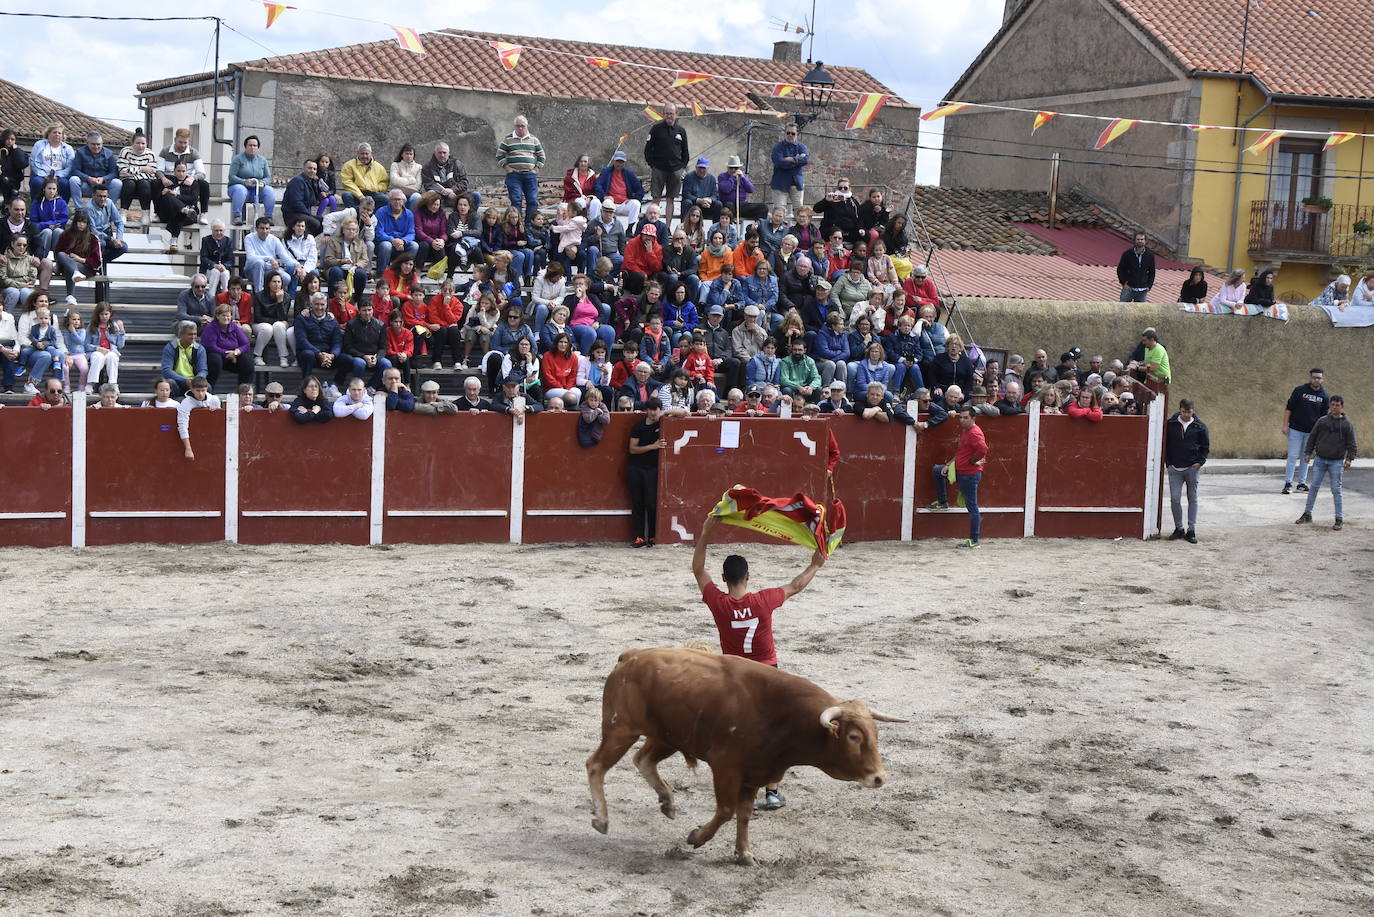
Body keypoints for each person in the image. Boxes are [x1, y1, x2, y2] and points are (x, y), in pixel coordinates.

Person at [690, 509, 827, 810]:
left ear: (724, 579)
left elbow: (698, 570)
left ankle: (735, 782)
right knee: (773, 732)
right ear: (748, 577)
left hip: (734, 677)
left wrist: (705, 534)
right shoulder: (763, 601)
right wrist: (815, 564)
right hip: (767, 674)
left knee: (731, 729)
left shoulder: (718, 603)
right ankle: (772, 792)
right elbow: (795, 585)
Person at [930, 405, 989, 549]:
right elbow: (961, 452)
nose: (961, 420)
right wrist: (949, 465)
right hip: (960, 470)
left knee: (972, 507)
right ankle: (943, 501)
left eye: (965, 418)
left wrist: (973, 461)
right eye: (960, 417)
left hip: (969, 474)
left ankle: (974, 541)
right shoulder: (966, 430)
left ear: (973, 418)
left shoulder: (974, 432)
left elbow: (983, 449)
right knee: (938, 471)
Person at [1295, 395, 1357, 532]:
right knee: (1314, 487)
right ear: (1330, 406)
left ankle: (1339, 519)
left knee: (1336, 490)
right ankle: (1307, 515)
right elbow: (1312, 437)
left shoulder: (1347, 425)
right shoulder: (1322, 421)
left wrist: (1349, 459)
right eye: (1332, 405)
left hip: (1337, 462)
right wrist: (1308, 452)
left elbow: (1352, 444)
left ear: (1342, 407)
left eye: (1337, 405)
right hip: (1320, 460)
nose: (1335, 407)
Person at [1163, 397, 1208, 544]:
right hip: (1174, 467)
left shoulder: (1200, 426)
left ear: (1193, 410)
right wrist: (1168, 463)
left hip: (1192, 468)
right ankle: (1179, 528)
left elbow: (1205, 447)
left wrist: (1199, 462)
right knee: (1175, 499)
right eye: (1184, 411)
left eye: (1189, 412)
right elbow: (1166, 443)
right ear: (1180, 409)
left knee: (1192, 498)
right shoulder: (1171, 424)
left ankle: (1191, 529)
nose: (1186, 414)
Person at [1281, 368, 1330, 495]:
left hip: (1311, 433)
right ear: (1310, 378)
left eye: (1319, 378)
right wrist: (1285, 425)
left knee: (1306, 458)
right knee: (1292, 456)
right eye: (1314, 377)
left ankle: (1301, 484)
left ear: (1322, 379)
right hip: (1295, 430)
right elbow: (1289, 408)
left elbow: (1323, 417)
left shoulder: (1324, 396)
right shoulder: (1300, 390)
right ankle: (1288, 483)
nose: (1316, 380)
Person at [626, 396, 665, 547]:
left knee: (651, 504)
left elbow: (683, 413)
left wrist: (664, 412)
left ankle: (653, 536)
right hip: (636, 468)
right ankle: (640, 537)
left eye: (656, 409)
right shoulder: (639, 426)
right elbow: (632, 449)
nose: (654, 413)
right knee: (638, 503)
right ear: (646, 410)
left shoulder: (663, 421)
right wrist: (653, 446)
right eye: (651, 409)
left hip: (652, 469)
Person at [294, 292, 346, 395]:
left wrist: (332, 355)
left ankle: (334, 386)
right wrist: (318, 353)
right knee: (307, 354)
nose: (319, 307)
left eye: (322, 304)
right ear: (311, 304)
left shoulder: (332, 320)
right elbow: (302, 340)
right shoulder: (302, 318)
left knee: (347, 359)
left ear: (326, 305)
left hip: (328, 357)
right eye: (317, 304)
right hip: (311, 355)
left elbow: (337, 341)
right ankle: (306, 387)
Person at [644, 104, 689, 220]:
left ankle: (667, 228)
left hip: (675, 170)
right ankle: (653, 224)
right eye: (667, 113)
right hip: (658, 169)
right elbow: (648, 149)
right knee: (656, 198)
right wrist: (652, 165)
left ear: (676, 115)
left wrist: (682, 168)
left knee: (671, 199)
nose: (669, 116)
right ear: (663, 115)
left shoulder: (681, 131)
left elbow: (685, 151)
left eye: (671, 113)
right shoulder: (656, 129)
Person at [157, 127, 212, 219]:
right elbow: (159, 170)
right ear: (175, 140)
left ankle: (203, 214)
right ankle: (157, 213)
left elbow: (202, 173)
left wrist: (192, 178)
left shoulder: (194, 153)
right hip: (169, 179)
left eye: (185, 142)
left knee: (204, 184)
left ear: (189, 141)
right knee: (156, 183)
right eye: (180, 142)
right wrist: (163, 178)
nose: (183, 145)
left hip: (187, 181)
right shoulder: (165, 151)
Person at [497, 116, 545, 220]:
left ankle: (530, 225)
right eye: (518, 126)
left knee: (532, 200)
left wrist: (536, 169)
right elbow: (499, 155)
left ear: (526, 126)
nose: (520, 128)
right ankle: (517, 226)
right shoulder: (508, 139)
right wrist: (507, 167)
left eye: (522, 126)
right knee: (516, 200)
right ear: (514, 126)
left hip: (530, 175)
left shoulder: (534, 139)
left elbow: (542, 156)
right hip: (514, 175)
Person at [202, 303, 256, 390]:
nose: (226, 318)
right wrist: (226, 353)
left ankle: (244, 391)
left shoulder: (234, 327)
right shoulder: (211, 327)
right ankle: (209, 390)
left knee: (248, 362)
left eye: (228, 316)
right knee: (215, 359)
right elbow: (211, 346)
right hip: (216, 357)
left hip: (233, 357)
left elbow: (246, 344)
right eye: (223, 315)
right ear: (217, 316)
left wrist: (236, 352)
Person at [319, 217, 371, 305]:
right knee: (336, 272)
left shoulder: (360, 243)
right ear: (343, 230)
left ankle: (356, 300)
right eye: (348, 229)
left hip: (353, 270)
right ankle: (332, 300)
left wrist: (355, 266)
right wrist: (342, 261)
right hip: (337, 268)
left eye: (353, 229)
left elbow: (365, 260)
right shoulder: (333, 241)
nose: (351, 231)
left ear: (356, 231)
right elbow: (328, 259)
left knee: (361, 274)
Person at [227, 135, 275, 226]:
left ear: (258, 148)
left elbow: (268, 178)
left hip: (256, 189)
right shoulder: (238, 159)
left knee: (269, 190)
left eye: (255, 145)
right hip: (239, 188)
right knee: (240, 189)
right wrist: (244, 182)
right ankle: (237, 216)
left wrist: (263, 183)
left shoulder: (262, 160)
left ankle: (269, 216)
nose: (252, 147)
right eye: (250, 145)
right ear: (245, 146)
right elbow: (231, 176)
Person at [342, 300, 390, 387]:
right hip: (358, 356)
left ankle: (371, 387)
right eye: (364, 310)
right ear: (359, 311)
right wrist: (363, 356)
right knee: (360, 363)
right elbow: (347, 346)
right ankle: (357, 388)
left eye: (369, 310)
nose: (367, 313)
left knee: (387, 364)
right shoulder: (351, 324)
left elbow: (383, 347)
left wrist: (377, 358)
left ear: (373, 310)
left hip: (374, 356)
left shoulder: (381, 325)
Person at [243, 216, 296, 293]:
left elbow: (285, 258)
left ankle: (273, 297)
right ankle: (259, 295)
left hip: (269, 270)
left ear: (270, 229)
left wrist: (298, 265)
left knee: (286, 278)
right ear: (256, 229)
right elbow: (250, 257)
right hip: (252, 269)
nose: (264, 231)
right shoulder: (249, 238)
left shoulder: (274, 240)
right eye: (262, 228)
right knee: (259, 262)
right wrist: (269, 258)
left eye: (267, 228)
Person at [69, 132, 121, 209]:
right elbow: (75, 170)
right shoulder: (80, 152)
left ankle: (107, 209)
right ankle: (79, 209)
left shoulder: (109, 154)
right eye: (93, 144)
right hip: (86, 185)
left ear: (102, 143)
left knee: (117, 183)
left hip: (103, 186)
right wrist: (88, 178)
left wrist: (104, 179)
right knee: (73, 180)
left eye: (98, 144)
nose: (96, 147)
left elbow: (114, 172)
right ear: (87, 143)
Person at [116, 132, 159, 223]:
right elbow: (123, 171)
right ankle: (123, 212)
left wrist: (133, 171)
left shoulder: (150, 154)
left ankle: (145, 214)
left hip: (144, 182)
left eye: (143, 143)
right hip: (128, 181)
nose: (140, 146)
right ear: (133, 143)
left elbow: (152, 173)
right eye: (138, 143)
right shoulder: (125, 152)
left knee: (144, 184)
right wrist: (142, 169)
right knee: (130, 184)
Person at [594, 152, 645, 230]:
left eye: (621, 161)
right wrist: (604, 196)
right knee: (603, 203)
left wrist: (635, 198)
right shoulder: (606, 171)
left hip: (624, 204)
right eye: (617, 161)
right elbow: (597, 185)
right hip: (610, 203)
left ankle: (630, 229)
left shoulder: (629, 174)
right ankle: (601, 228)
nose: (619, 164)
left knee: (636, 204)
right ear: (613, 161)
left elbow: (640, 189)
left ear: (624, 163)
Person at [422, 142, 478, 210]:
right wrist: (445, 192)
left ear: (448, 154)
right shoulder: (427, 167)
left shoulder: (457, 164)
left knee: (476, 195)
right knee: (431, 194)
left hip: (456, 195)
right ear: (435, 153)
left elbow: (464, 182)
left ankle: (472, 218)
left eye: (444, 152)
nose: (442, 155)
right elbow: (428, 184)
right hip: (438, 196)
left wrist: (452, 190)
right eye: (440, 152)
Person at [176, 375, 221, 460]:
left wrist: (216, 410)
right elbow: (182, 425)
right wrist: (188, 448)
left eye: (203, 390)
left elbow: (219, 421)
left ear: (207, 389)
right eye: (198, 391)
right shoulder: (185, 404)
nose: (200, 394)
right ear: (192, 389)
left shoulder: (214, 400)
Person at [769, 124, 809, 216]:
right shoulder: (778, 147)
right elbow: (779, 162)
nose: (790, 135)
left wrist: (789, 159)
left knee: (799, 211)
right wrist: (797, 160)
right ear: (785, 134)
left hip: (796, 183)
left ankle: (798, 230)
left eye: (793, 133)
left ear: (797, 134)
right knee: (779, 211)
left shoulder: (801, 147)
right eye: (788, 133)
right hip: (780, 183)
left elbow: (806, 160)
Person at [160, 321, 208, 396]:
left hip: (194, 383)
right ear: (181, 334)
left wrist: (196, 381)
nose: (193, 337)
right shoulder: (170, 347)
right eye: (190, 334)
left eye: (195, 334)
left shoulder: (200, 349)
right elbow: (166, 370)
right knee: (170, 383)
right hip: (177, 381)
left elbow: (203, 370)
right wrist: (185, 380)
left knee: (208, 387)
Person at [339, 142, 389, 212]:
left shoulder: (379, 167)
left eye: (367, 154)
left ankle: (372, 217)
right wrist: (360, 196)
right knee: (346, 195)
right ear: (358, 153)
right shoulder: (348, 165)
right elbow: (347, 182)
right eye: (362, 154)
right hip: (356, 194)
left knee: (385, 199)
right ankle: (355, 216)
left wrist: (375, 188)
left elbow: (384, 183)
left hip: (373, 194)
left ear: (371, 153)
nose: (364, 156)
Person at [283, 159, 325, 235]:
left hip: (303, 213)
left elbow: (314, 200)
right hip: (292, 214)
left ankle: (306, 239)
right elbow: (296, 203)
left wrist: (316, 185)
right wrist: (309, 215)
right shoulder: (297, 181)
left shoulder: (311, 182)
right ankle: (301, 239)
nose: (312, 171)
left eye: (314, 169)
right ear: (303, 169)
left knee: (325, 222)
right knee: (315, 223)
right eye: (309, 168)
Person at [814, 177, 860, 246]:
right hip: (832, 230)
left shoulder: (853, 201)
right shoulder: (831, 199)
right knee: (836, 233)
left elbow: (859, 216)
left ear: (849, 189)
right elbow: (816, 209)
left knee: (864, 235)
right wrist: (826, 200)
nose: (842, 190)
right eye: (840, 188)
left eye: (845, 188)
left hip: (849, 231)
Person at [717, 155, 761, 219]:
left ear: (739, 168)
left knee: (763, 207)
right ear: (727, 168)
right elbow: (726, 189)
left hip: (742, 205)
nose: (733, 170)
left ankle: (758, 225)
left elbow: (751, 190)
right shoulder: (722, 176)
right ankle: (731, 223)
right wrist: (732, 177)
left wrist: (743, 178)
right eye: (731, 168)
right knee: (729, 205)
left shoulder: (744, 177)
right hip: (728, 205)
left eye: (736, 168)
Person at [1116, 231, 1155, 302]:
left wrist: (1149, 286)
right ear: (1134, 240)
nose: (1140, 241)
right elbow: (1120, 269)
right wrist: (1124, 283)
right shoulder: (1127, 254)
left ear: (1145, 241)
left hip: (1142, 290)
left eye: (1142, 239)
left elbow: (1152, 272)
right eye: (1138, 239)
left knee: (1140, 312)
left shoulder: (1150, 255)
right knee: (1122, 309)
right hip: (1129, 288)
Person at [200, 220, 235, 295]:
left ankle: (226, 295)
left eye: (221, 230)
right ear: (212, 231)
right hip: (209, 270)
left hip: (223, 269)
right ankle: (211, 296)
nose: (218, 233)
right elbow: (203, 258)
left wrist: (224, 266)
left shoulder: (228, 241)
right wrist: (214, 265)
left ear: (224, 230)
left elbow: (231, 260)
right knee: (215, 272)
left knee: (225, 273)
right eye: (216, 230)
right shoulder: (206, 240)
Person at [680, 156, 719, 222]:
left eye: (704, 168)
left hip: (707, 206)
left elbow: (715, 194)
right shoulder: (689, 177)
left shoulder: (712, 178)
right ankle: (684, 227)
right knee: (686, 202)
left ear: (707, 168)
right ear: (696, 167)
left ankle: (716, 229)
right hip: (694, 205)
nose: (701, 170)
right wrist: (699, 200)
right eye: (700, 168)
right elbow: (686, 194)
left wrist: (709, 200)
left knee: (718, 204)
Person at [1, 129, 30, 206]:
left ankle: (7, 206)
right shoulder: (1, 150)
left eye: (12, 139)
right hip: (2, 179)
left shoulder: (18, 152)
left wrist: (16, 151)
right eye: (7, 139)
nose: (10, 141)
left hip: (13, 181)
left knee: (14, 193)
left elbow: (22, 164)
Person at [389, 143, 423, 208]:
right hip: (398, 192)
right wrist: (412, 180)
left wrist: (401, 181)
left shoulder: (419, 167)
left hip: (413, 193)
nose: (409, 156)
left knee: (417, 197)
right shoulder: (395, 165)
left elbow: (418, 185)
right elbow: (394, 181)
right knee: (401, 197)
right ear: (402, 154)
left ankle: (412, 217)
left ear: (413, 155)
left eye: (411, 154)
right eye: (406, 153)